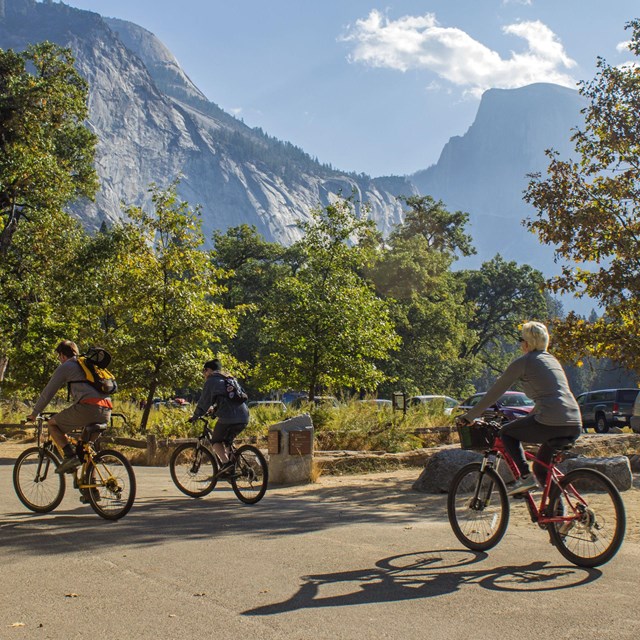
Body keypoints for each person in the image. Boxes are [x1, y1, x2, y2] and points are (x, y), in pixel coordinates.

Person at [459, 321, 582, 496]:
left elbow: (495, 392)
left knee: (507, 433)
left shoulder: (525, 362)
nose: (519, 344)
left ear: (527, 343)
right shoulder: (552, 360)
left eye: (520, 339)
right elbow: (549, 397)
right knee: (541, 469)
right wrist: (526, 419)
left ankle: (525, 476)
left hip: (551, 420)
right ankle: (557, 515)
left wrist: (469, 416)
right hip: (574, 422)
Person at [27, 340, 113, 474]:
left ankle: (69, 457)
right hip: (107, 409)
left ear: (62, 355)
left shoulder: (67, 366)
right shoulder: (86, 364)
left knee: (52, 424)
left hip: (89, 408)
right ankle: (91, 491)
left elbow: (48, 391)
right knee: (84, 450)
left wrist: (34, 413)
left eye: (59, 357)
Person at [189, 358, 249, 475]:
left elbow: (204, 402)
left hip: (228, 418)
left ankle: (226, 464)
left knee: (216, 440)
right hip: (244, 416)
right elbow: (229, 399)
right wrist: (215, 410)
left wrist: (196, 416)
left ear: (209, 370)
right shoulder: (230, 378)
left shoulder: (211, 381)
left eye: (204, 371)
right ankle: (235, 467)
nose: (204, 374)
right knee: (227, 441)